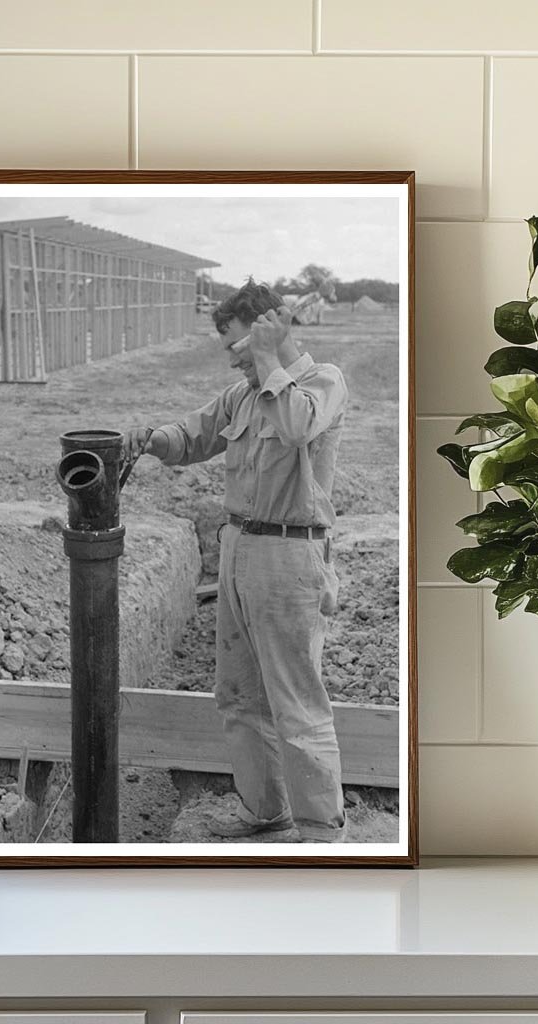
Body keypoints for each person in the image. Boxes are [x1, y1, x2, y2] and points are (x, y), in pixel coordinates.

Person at [124, 279, 349, 843]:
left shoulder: (322, 383)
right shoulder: (243, 395)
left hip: (289, 557)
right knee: (240, 698)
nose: (232, 361)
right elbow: (193, 436)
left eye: (237, 346)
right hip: (238, 548)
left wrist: (271, 357)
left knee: (295, 700)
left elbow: (297, 427)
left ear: (268, 330)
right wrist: (149, 437)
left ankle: (322, 832)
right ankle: (264, 811)